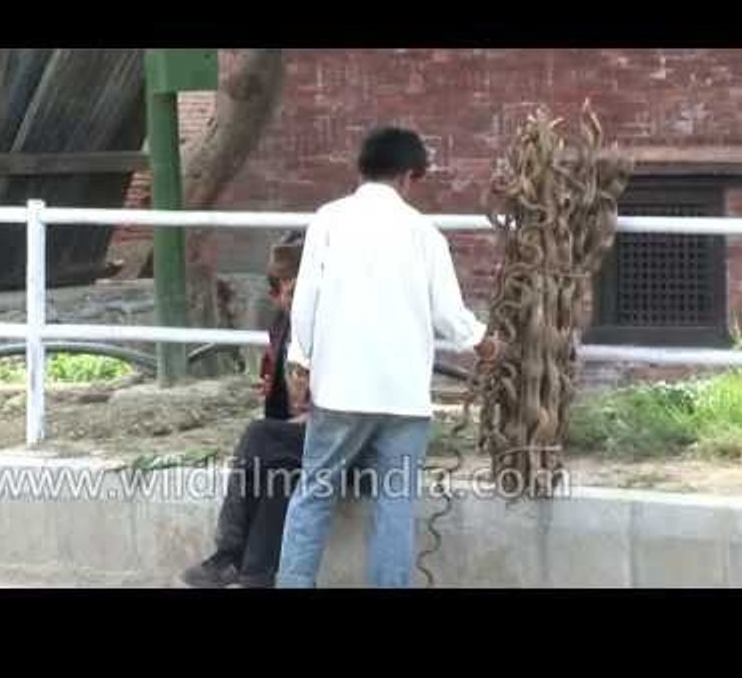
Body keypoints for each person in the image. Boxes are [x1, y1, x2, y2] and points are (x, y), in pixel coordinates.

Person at [277, 126, 501, 589]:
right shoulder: (425, 234)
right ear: (409, 176)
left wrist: (300, 363)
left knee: (314, 494)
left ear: (362, 170)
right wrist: (485, 343)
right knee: (395, 506)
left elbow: (306, 303)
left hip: (339, 390)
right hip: (403, 399)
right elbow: (449, 315)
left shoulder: (328, 220)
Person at [180, 231, 309, 589]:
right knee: (279, 473)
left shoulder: (336, 324)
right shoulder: (283, 326)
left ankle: (229, 553)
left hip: (341, 435)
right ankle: (255, 574)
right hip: (299, 438)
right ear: (276, 293)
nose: (297, 298)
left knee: (259, 435)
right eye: (289, 290)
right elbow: (281, 407)